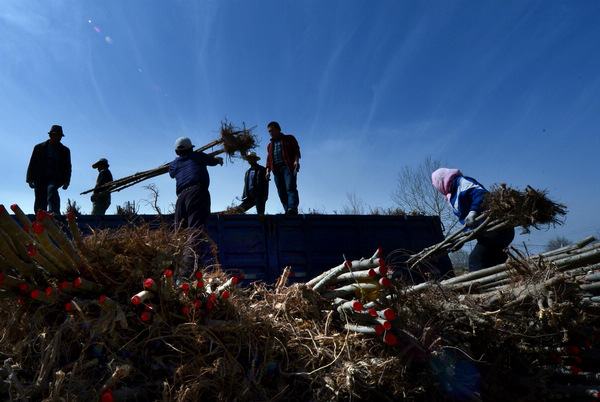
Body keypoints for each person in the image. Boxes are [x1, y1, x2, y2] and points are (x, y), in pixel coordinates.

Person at [431, 168, 515, 272]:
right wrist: (462, 240)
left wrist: (473, 211)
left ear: (441, 181)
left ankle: (481, 287)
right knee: (495, 261)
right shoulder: (452, 195)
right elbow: (470, 223)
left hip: (496, 227)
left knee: (476, 260)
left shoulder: (461, 182)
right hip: (486, 233)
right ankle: (503, 286)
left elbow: (482, 194)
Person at [169, 137, 223, 231]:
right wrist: (218, 160)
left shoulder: (173, 164)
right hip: (196, 194)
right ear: (191, 148)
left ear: (176, 152)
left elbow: (172, 174)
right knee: (196, 232)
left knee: (180, 233)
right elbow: (212, 162)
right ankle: (194, 246)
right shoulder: (199, 156)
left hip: (181, 197)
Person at [26, 125, 72, 215]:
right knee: (40, 199)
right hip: (40, 178)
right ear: (50, 135)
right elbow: (32, 164)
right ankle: (40, 217)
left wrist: (66, 181)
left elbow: (67, 167)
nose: (57, 138)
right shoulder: (39, 148)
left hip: (55, 178)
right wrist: (30, 179)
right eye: (55, 135)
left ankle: (54, 215)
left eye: (59, 136)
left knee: (52, 190)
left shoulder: (65, 150)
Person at [265, 121, 301, 215]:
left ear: (278, 129)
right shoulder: (270, 145)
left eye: (272, 130)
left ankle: (292, 208)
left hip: (287, 166)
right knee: (281, 191)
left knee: (290, 187)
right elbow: (269, 159)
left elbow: (296, 150)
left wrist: (296, 161)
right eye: (269, 131)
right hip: (276, 170)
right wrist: (268, 171)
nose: (271, 133)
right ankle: (287, 210)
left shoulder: (289, 138)